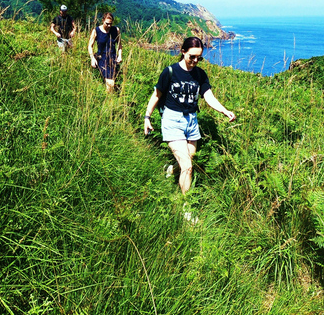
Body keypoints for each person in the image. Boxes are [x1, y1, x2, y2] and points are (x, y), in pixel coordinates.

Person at [143, 36, 236, 195]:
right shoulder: (170, 71)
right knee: (188, 166)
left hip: (191, 122)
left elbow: (208, 96)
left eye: (198, 57)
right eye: (191, 56)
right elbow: (157, 95)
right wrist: (147, 117)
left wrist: (224, 110)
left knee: (188, 161)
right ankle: (186, 206)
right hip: (172, 120)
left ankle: (172, 170)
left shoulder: (200, 74)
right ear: (183, 51)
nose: (195, 60)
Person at [88, 13, 123, 92]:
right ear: (103, 21)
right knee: (110, 82)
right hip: (102, 58)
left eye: (111, 24)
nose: (109, 26)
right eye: (107, 23)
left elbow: (119, 45)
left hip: (113, 58)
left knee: (113, 80)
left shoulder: (116, 30)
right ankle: (109, 100)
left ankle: (108, 99)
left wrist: (120, 55)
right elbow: (90, 46)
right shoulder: (96, 31)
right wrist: (92, 58)